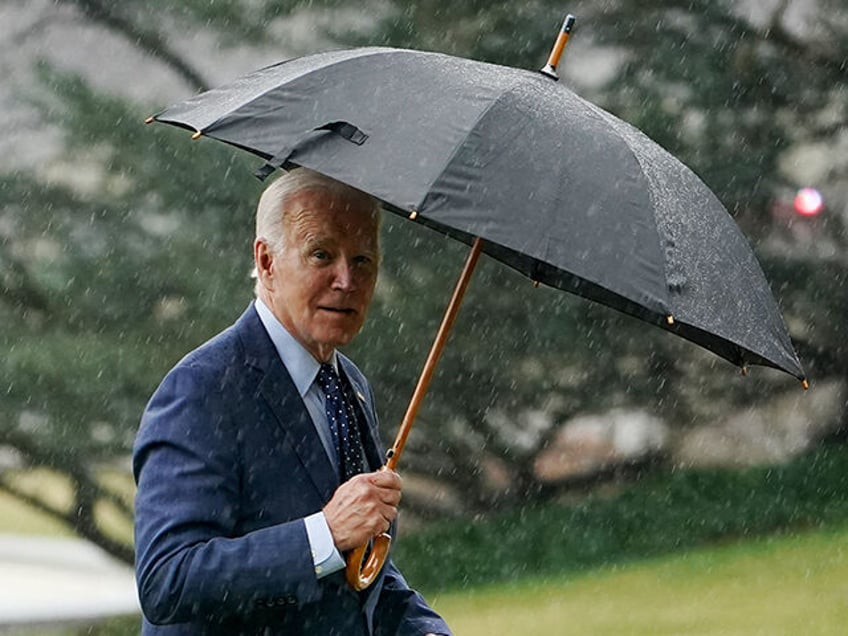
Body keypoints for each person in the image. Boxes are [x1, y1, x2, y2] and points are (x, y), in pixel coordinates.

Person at [133, 168, 451, 635]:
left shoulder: (350, 386)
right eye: (322, 254)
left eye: (363, 260)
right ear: (266, 262)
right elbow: (168, 580)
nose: (346, 279)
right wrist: (324, 532)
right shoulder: (202, 390)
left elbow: (358, 573)